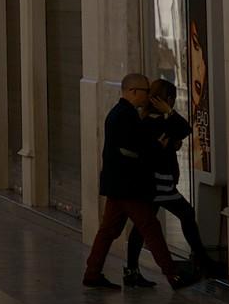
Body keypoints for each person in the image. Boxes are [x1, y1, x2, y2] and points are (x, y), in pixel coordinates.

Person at [81, 72, 187, 290]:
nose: (149, 96)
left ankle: (92, 273)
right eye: (146, 92)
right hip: (128, 186)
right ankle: (173, 275)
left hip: (118, 185)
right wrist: (158, 145)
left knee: (108, 231)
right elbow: (135, 148)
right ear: (133, 91)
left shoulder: (122, 114)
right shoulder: (125, 116)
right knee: (150, 227)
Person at [122, 77, 218, 286]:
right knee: (185, 214)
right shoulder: (155, 122)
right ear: (167, 99)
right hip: (159, 184)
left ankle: (131, 269)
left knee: (142, 225)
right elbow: (185, 129)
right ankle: (203, 261)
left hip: (154, 184)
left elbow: (180, 134)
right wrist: (170, 112)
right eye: (171, 99)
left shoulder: (150, 120)